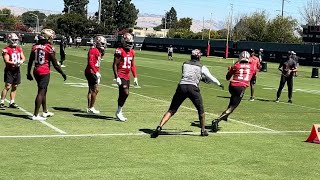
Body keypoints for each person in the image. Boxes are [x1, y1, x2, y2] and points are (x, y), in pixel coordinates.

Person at [151, 49, 224, 138]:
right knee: (201, 111)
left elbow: (187, 74)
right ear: (199, 56)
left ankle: (160, 126)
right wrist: (219, 84)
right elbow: (210, 77)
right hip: (193, 88)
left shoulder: (185, 64)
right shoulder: (202, 67)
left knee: (172, 109)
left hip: (182, 86)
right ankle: (203, 130)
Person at [27, 29, 67, 121]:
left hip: (36, 70)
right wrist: (62, 73)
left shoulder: (34, 47)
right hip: (44, 71)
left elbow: (30, 61)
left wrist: (28, 73)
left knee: (43, 90)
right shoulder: (49, 48)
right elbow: (55, 64)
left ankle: (45, 111)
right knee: (41, 91)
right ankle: (35, 115)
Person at [212, 51, 256, 132]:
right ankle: (217, 120)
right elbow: (253, 77)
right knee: (232, 107)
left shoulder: (236, 65)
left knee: (233, 99)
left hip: (232, 86)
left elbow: (227, 77)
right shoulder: (252, 66)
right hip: (241, 87)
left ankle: (225, 116)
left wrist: (232, 68)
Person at [113, 33, 138, 121]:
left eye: (131, 43)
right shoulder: (119, 51)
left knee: (124, 95)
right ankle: (119, 111)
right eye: (128, 43)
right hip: (121, 75)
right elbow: (115, 64)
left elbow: (132, 65)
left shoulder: (132, 52)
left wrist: (135, 77)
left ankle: (119, 111)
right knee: (125, 92)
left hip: (127, 76)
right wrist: (117, 77)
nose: (130, 45)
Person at [0, 33, 26, 110]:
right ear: (10, 40)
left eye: (16, 40)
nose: (15, 41)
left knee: (15, 86)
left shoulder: (19, 48)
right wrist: (15, 63)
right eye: (14, 40)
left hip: (17, 70)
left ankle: (12, 102)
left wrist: (21, 61)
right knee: (8, 86)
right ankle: (2, 101)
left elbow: (23, 57)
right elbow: (7, 60)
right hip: (9, 70)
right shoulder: (6, 49)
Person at [85, 36, 106, 114]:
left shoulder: (98, 50)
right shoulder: (93, 50)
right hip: (91, 72)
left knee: (91, 90)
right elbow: (90, 62)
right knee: (95, 90)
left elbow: (98, 61)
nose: (104, 45)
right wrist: (96, 72)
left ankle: (89, 108)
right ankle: (91, 107)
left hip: (93, 71)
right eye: (102, 44)